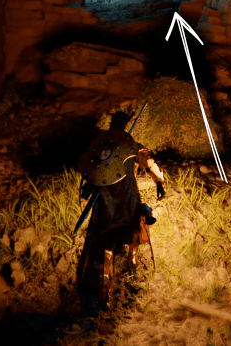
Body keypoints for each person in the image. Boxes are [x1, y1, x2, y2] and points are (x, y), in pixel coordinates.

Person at [74, 112, 166, 314]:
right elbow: (148, 162)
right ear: (123, 126)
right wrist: (159, 182)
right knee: (132, 231)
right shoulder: (130, 144)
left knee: (108, 244)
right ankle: (127, 270)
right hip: (124, 199)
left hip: (107, 202)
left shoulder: (100, 143)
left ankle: (108, 286)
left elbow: (87, 165)